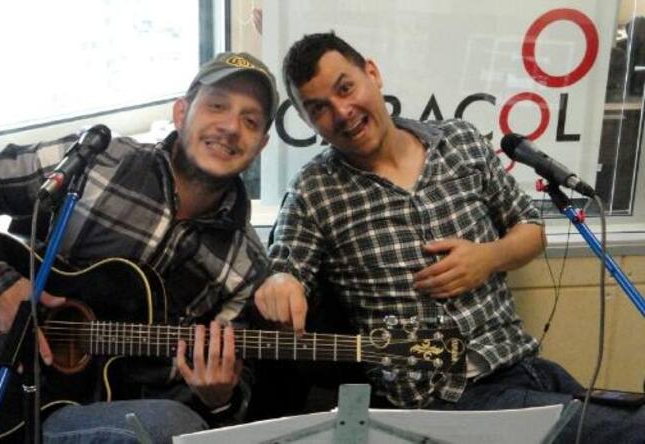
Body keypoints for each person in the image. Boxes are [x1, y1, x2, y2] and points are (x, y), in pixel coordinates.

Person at [253, 31, 644, 443]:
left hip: (523, 367)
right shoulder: (314, 190)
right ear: (307, 121)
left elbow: (531, 229)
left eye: (345, 88)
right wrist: (281, 282)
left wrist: (489, 257)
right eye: (319, 108)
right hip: (445, 402)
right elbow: (285, 269)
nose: (342, 112)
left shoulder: (461, 141)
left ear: (372, 73)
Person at [0, 51, 278, 443]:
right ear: (181, 113)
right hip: (5, 393)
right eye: (217, 106)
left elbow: (231, 404)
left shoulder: (247, 265)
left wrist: (220, 399)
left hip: (106, 413)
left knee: (175, 425)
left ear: (261, 145)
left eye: (250, 121)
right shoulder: (100, 162)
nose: (231, 127)